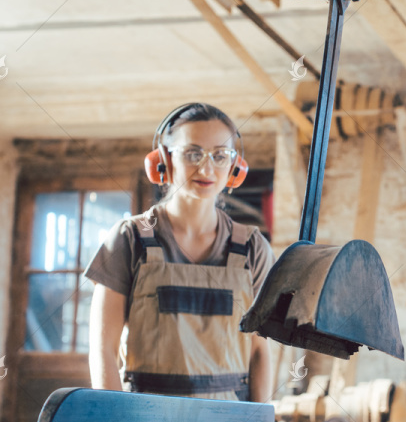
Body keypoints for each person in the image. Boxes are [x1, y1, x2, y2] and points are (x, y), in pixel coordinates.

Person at [86, 103, 274, 402]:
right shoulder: (129, 239)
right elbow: (102, 349)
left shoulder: (253, 249)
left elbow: (261, 352)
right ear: (163, 161)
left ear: (235, 168)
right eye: (192, 153)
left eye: (220, 155)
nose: (206, 167)